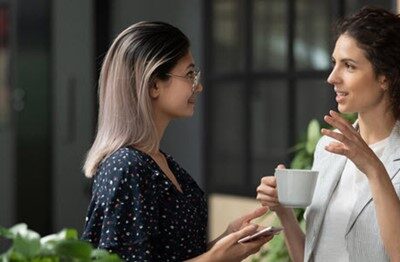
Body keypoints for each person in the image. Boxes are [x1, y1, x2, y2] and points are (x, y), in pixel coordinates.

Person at [81, 21, 273, 261]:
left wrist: (226, 239)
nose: (199, 86)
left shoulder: (160, 162)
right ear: (153, 85)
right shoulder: (126, 167)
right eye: (190, 74)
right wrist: (216, 258)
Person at [256, 7, 400, 262]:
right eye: (335, 63)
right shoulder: (327, 148)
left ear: (385, 78)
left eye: (349, 66)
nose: (332, 77)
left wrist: (373, 168)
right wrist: (284, 212)